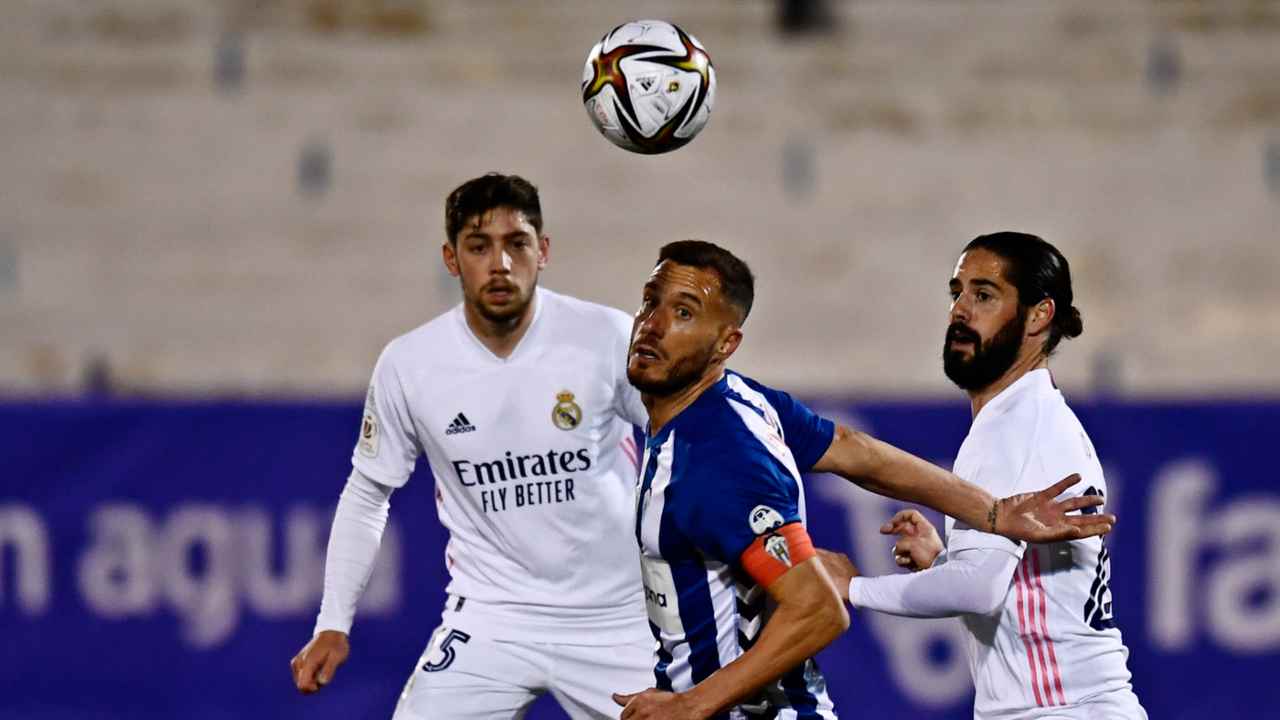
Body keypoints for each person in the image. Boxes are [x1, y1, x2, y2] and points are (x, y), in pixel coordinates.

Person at [611, 240, 1114, 720]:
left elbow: (822, 609)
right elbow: (855, 450)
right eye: (649, 302)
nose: (652, 325)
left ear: (727, 343)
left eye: (683, 312)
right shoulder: (737, 404)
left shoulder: (716, 454)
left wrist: (855, 588)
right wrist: (989, 517)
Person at [289, 173, 656, 719]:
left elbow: (689, 437)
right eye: (479, 247)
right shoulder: (411, 365)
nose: (500, 264)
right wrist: (333, 622)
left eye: (517, 244)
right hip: (492, 618)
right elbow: (368, 494)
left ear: (544, 250)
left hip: (617, 618)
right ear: (451, 259)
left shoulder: (606, 337)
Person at [820, 232, 1146, 719]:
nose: (960, 310)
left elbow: (978, 589)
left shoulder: (1012, 425)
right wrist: (944, 562)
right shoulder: (1035, 416)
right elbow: (1011, 584)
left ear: (1039, 315)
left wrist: (853, 587)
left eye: (984, 295)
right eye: (958, 293)